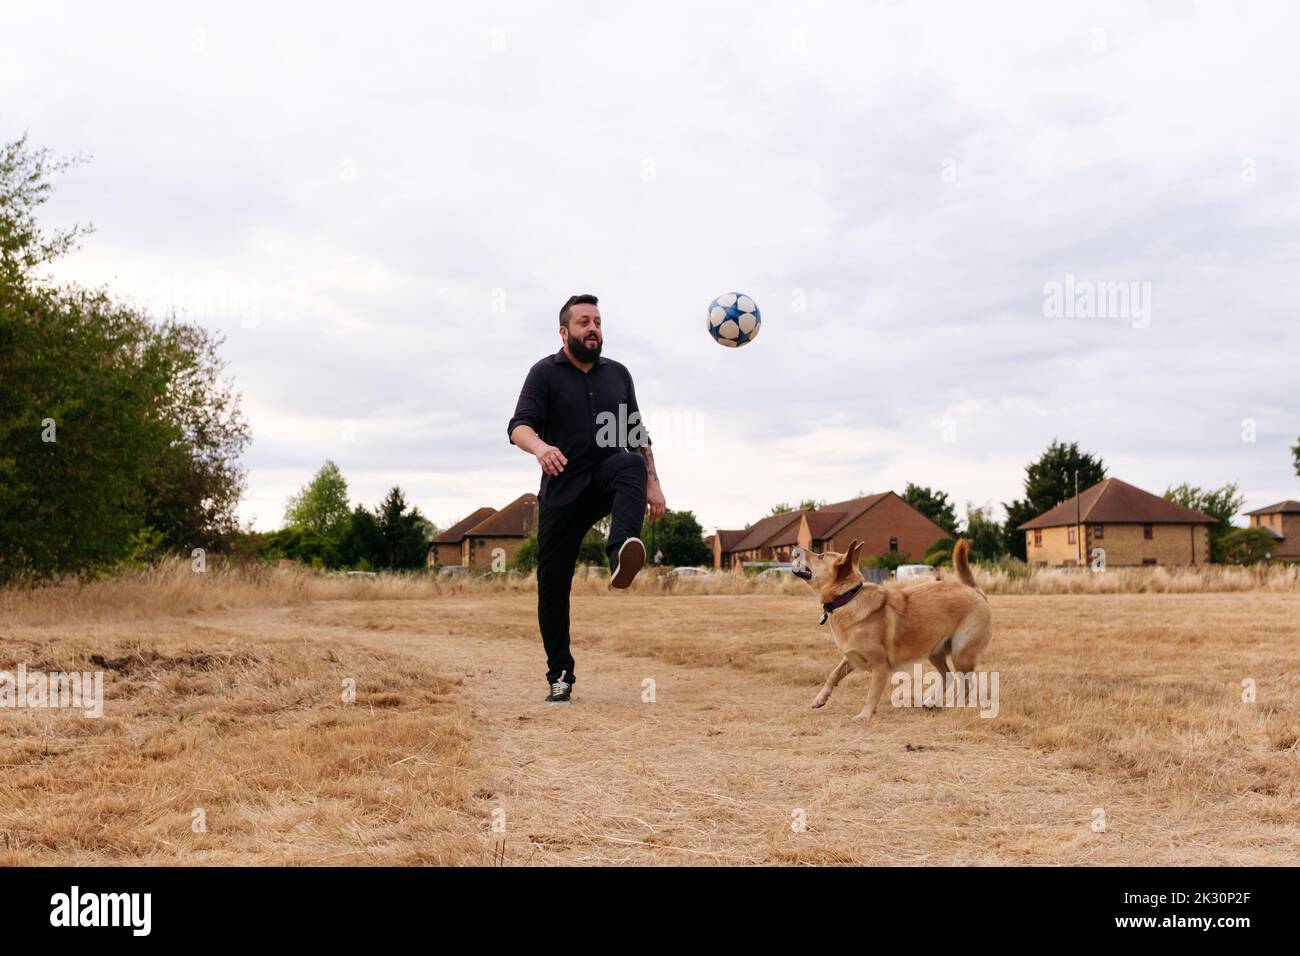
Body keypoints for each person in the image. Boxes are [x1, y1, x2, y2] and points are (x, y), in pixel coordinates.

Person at [507, 294, 666, 703]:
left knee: (629, 464)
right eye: (583, 322)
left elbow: (637, 435)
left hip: (604, 478)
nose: (592, 328)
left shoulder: (619, 375)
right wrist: (541, 448)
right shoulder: (544, 373)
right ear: (565, 332)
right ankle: (560, 675)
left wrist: (655, 484)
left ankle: (621, 553)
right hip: (562, 489)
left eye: (597, 321)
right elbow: (518, 427)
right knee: (553, 586)